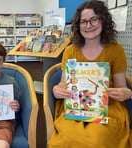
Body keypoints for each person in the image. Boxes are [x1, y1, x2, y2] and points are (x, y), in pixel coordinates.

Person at [48, 0, 132, 148]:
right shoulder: (70, 50)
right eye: (83, 21)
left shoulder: (115, 49)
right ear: (78, 25)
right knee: (67, 138)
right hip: (75, 106)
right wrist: (57, 89)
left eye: (94, 19)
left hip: (107, 108)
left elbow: (121, 86)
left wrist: (126, 93)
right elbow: (63, 82)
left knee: (96, 140)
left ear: (103, 21)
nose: (88, 25)